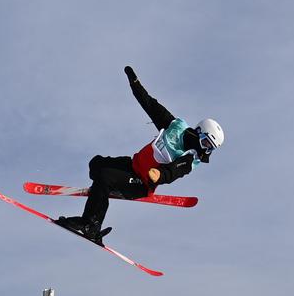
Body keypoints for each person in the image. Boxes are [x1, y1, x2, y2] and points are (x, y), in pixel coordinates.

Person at [57, 66, 224, 244]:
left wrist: (160, 175)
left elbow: (175, 171)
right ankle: (102, 192)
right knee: (96, 164)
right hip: (132, 166)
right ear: (199, 132)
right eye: (206, 143)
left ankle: (90, 225)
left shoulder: (190, 158)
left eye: (210, 149)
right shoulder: (175, 127)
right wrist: (135, 84)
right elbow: (150, 105)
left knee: (105, 177)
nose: (206, 150)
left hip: (142, 183)